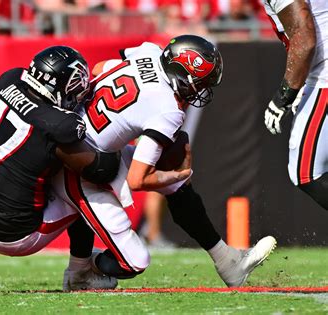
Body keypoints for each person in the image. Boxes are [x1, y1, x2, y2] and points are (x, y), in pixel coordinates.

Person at [52, 35, 276, 286]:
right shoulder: (167, 108)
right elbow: (138, 179)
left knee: (176, 185)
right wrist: (179, 175)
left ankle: (227, 260)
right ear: (183, 75)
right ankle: (81, 271)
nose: (200, 91)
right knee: (137, 256)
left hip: (83, 146)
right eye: (200, 83)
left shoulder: (148, 52)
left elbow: (99, 68)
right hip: (79, 166)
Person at [0, 45, 121, 293]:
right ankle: (80, 273)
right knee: (80, 189)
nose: (78, 91)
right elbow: (100, 170)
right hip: (17, 235)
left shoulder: (9, 79)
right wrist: (116, 141)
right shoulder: (61, 124)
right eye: (74, 84)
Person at [263, 0, 328, 210]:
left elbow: (304, 37)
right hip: (317, 73)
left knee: (305, 172)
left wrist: (284, 96)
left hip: (324, 75)